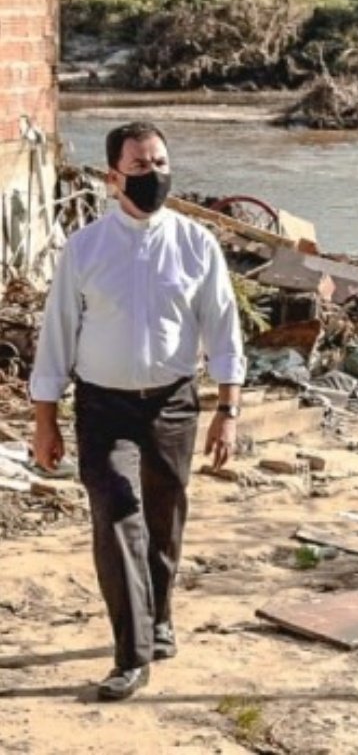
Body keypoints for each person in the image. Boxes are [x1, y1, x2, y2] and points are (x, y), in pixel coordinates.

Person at [30, 121, 246, 701]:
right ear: (112, 177)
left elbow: (223, 329)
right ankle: (132, 655)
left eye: (159, 164)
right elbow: (56, 337)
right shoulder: (85, 249)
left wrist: (229, 407)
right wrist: (45, 419)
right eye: (140, 166)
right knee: (116, 514)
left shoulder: (197, 244)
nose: (152, 175)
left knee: (163, 518)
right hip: (102, 407)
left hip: (173, 404)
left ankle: (161, 613)